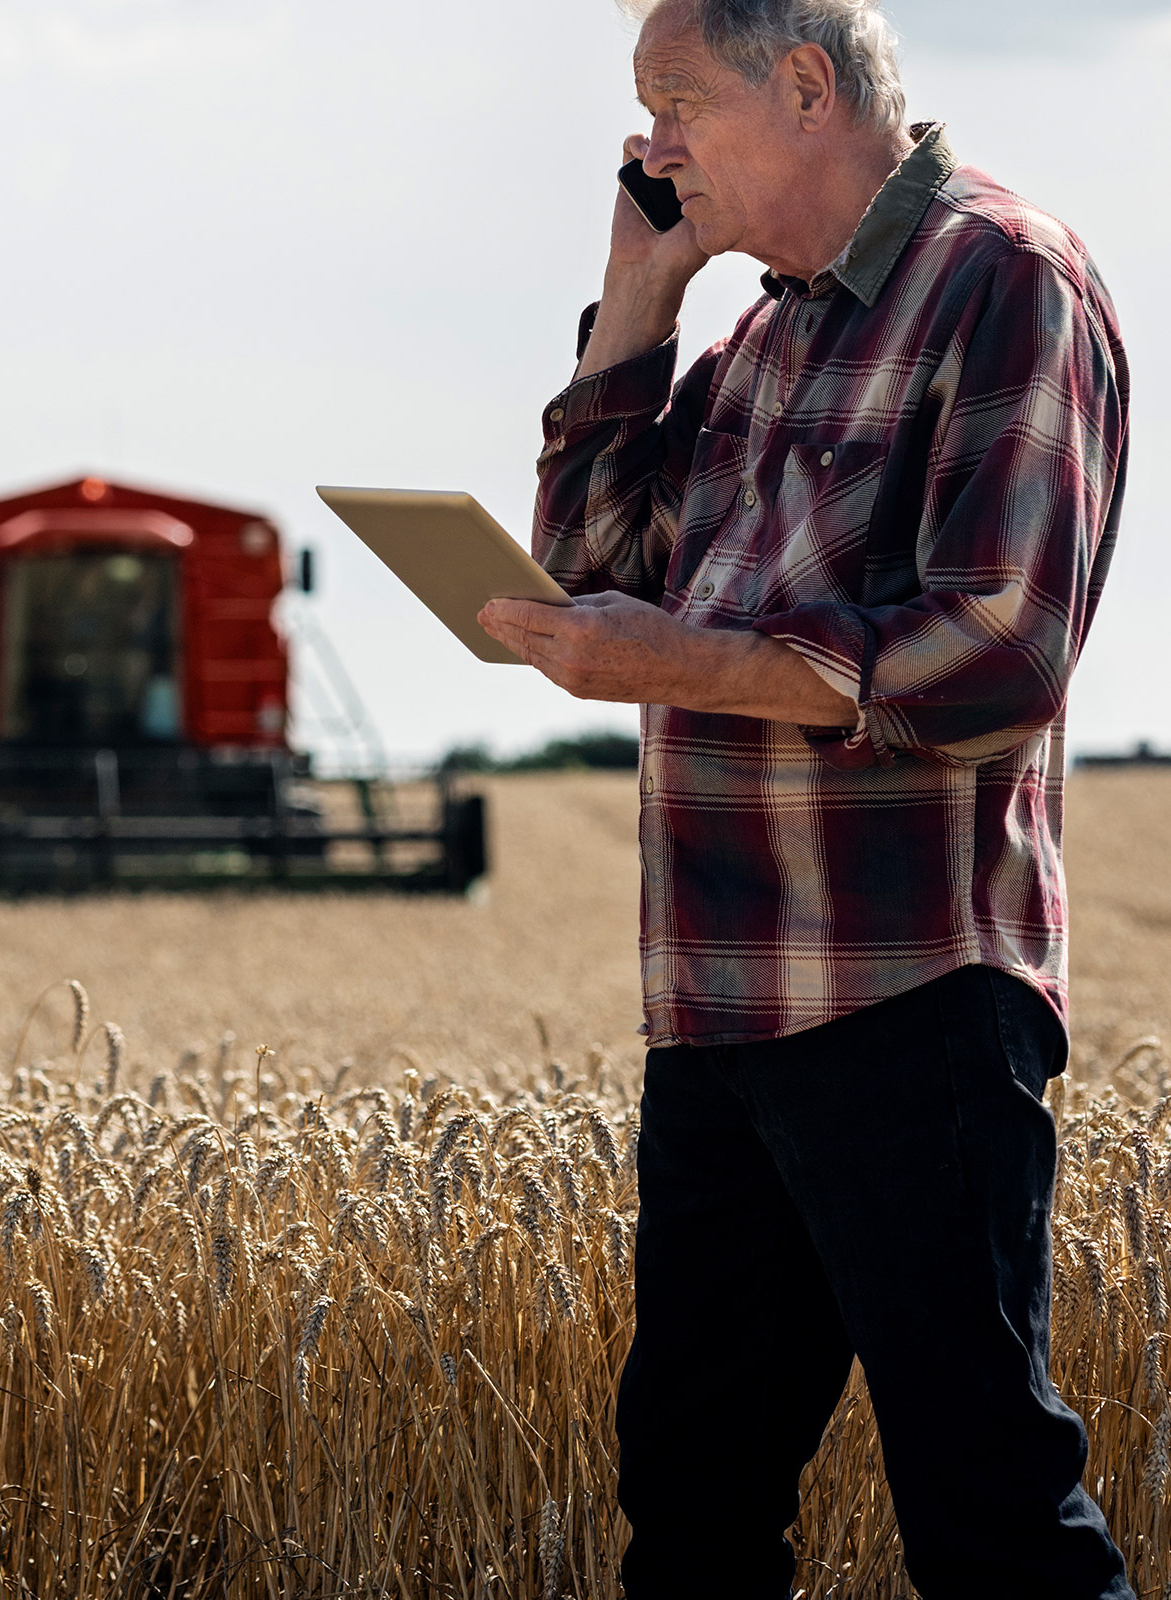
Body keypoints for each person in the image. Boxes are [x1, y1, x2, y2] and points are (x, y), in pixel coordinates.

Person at [475, 0, 1134, 1594]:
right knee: (692, 1514)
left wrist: (686, 661)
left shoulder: (1006, 278)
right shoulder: (759, 332)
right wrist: (636, 301)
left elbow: (995, 652)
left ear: (809, 83)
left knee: (988, 1516)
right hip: (719, 1008)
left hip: (908, 998)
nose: (651, 146)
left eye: (676, 103)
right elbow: (595, 579)